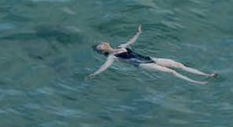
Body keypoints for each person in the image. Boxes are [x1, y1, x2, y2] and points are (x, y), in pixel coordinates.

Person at [88, 26, 217, 84]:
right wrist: (94, 74)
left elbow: (131, 41)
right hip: (142, 65)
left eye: (101, 44)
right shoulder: (112, 57)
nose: (103, 45)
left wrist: (138, 33)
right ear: (103, 51)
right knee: (171, 72)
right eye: (101, 47)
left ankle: (207, 74)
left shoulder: (121, 46)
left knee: (178, 65)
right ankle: (196, 82)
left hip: (149, 59)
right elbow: (105, 66)